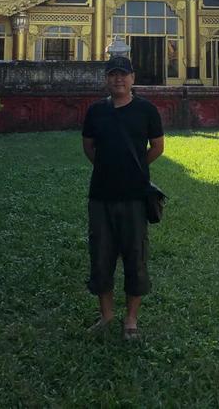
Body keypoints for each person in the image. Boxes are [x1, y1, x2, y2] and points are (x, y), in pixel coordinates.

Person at [82, 55, 164, 339]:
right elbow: (89, 147)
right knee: (100, 255)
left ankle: (131, 319)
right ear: (106, 78)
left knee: (135, 255)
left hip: (134, 196)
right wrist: (108, 168)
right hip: (101, 195)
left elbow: (157, 147)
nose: (119, 79)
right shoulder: (95, 112)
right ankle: (106, 315)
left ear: (133, 78)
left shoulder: (146, 110)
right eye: (113, 74)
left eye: (123, 74)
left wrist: (136, 169)